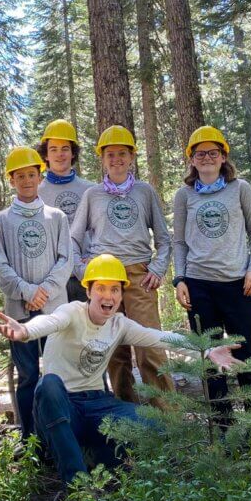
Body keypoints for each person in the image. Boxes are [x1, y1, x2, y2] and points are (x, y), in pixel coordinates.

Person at [0, 254, 241, 484]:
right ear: (88, 291)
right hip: (60, 406)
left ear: (121, 295)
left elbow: (160, 337)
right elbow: (50, 321)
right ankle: (78, 486)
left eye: (114, 289)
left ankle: (95, 455)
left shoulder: (119, 325)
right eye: (100, 288)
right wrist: (25, 331)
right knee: (49, 384)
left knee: (155, 424)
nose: (107, 296)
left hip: (97, 405)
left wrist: (207, 350)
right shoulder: (71, 312)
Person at [70, 125, 173, 406]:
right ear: (102, 159)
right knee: (114, 351)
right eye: (110, 154)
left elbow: (164, 239)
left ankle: (168, 421)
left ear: (131, 158)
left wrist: (157, 269)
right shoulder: (92, 195)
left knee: (150, 347)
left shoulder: (144, 192)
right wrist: (83, 272)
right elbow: (73, 239)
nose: (116, 159)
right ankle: (127, 421)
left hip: (140, 276)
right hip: (104, 281)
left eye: (122, 154)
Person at [172, 126, 251, 422]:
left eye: (213, 152)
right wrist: (180, 279)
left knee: (248, 356)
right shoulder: (183, 195)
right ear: (192, 159)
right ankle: (223, 428)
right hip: (200, 287)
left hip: (238, 284)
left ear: (224, 156)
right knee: (211, 361)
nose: (207, 158)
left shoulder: (240, 189)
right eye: (200, 153)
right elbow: (178, 241)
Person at [0, 146, 73, 439]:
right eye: (20, 175)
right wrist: (27, 293)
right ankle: (30, 440)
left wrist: (46, 291)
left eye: (31, 174)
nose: (26, 180)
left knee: (56, 375)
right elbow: (0, 267)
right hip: (19, 313)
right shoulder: (0, 221)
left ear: (40, 177)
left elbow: (66, 259)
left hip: (54, 310)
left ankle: (61, 435)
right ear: (11, 180)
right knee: (27, 377)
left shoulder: (57, 217)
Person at [36, 119, 96, 303]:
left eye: (65, 149)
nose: (59, 154)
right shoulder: (37, 192)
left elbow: (100, 229)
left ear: (73, 153)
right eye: (53, 149)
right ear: (45, 155)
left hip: (87, 277)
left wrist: (95, 256)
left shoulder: (90, 189)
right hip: (52, 281)